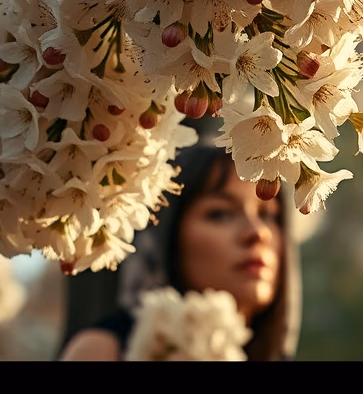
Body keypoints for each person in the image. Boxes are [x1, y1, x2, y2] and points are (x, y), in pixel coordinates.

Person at [58, 144, 301, 360]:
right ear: (166, 235)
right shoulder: (102, 351)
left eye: (269, 215)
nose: (258, 233)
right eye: (220, 213)